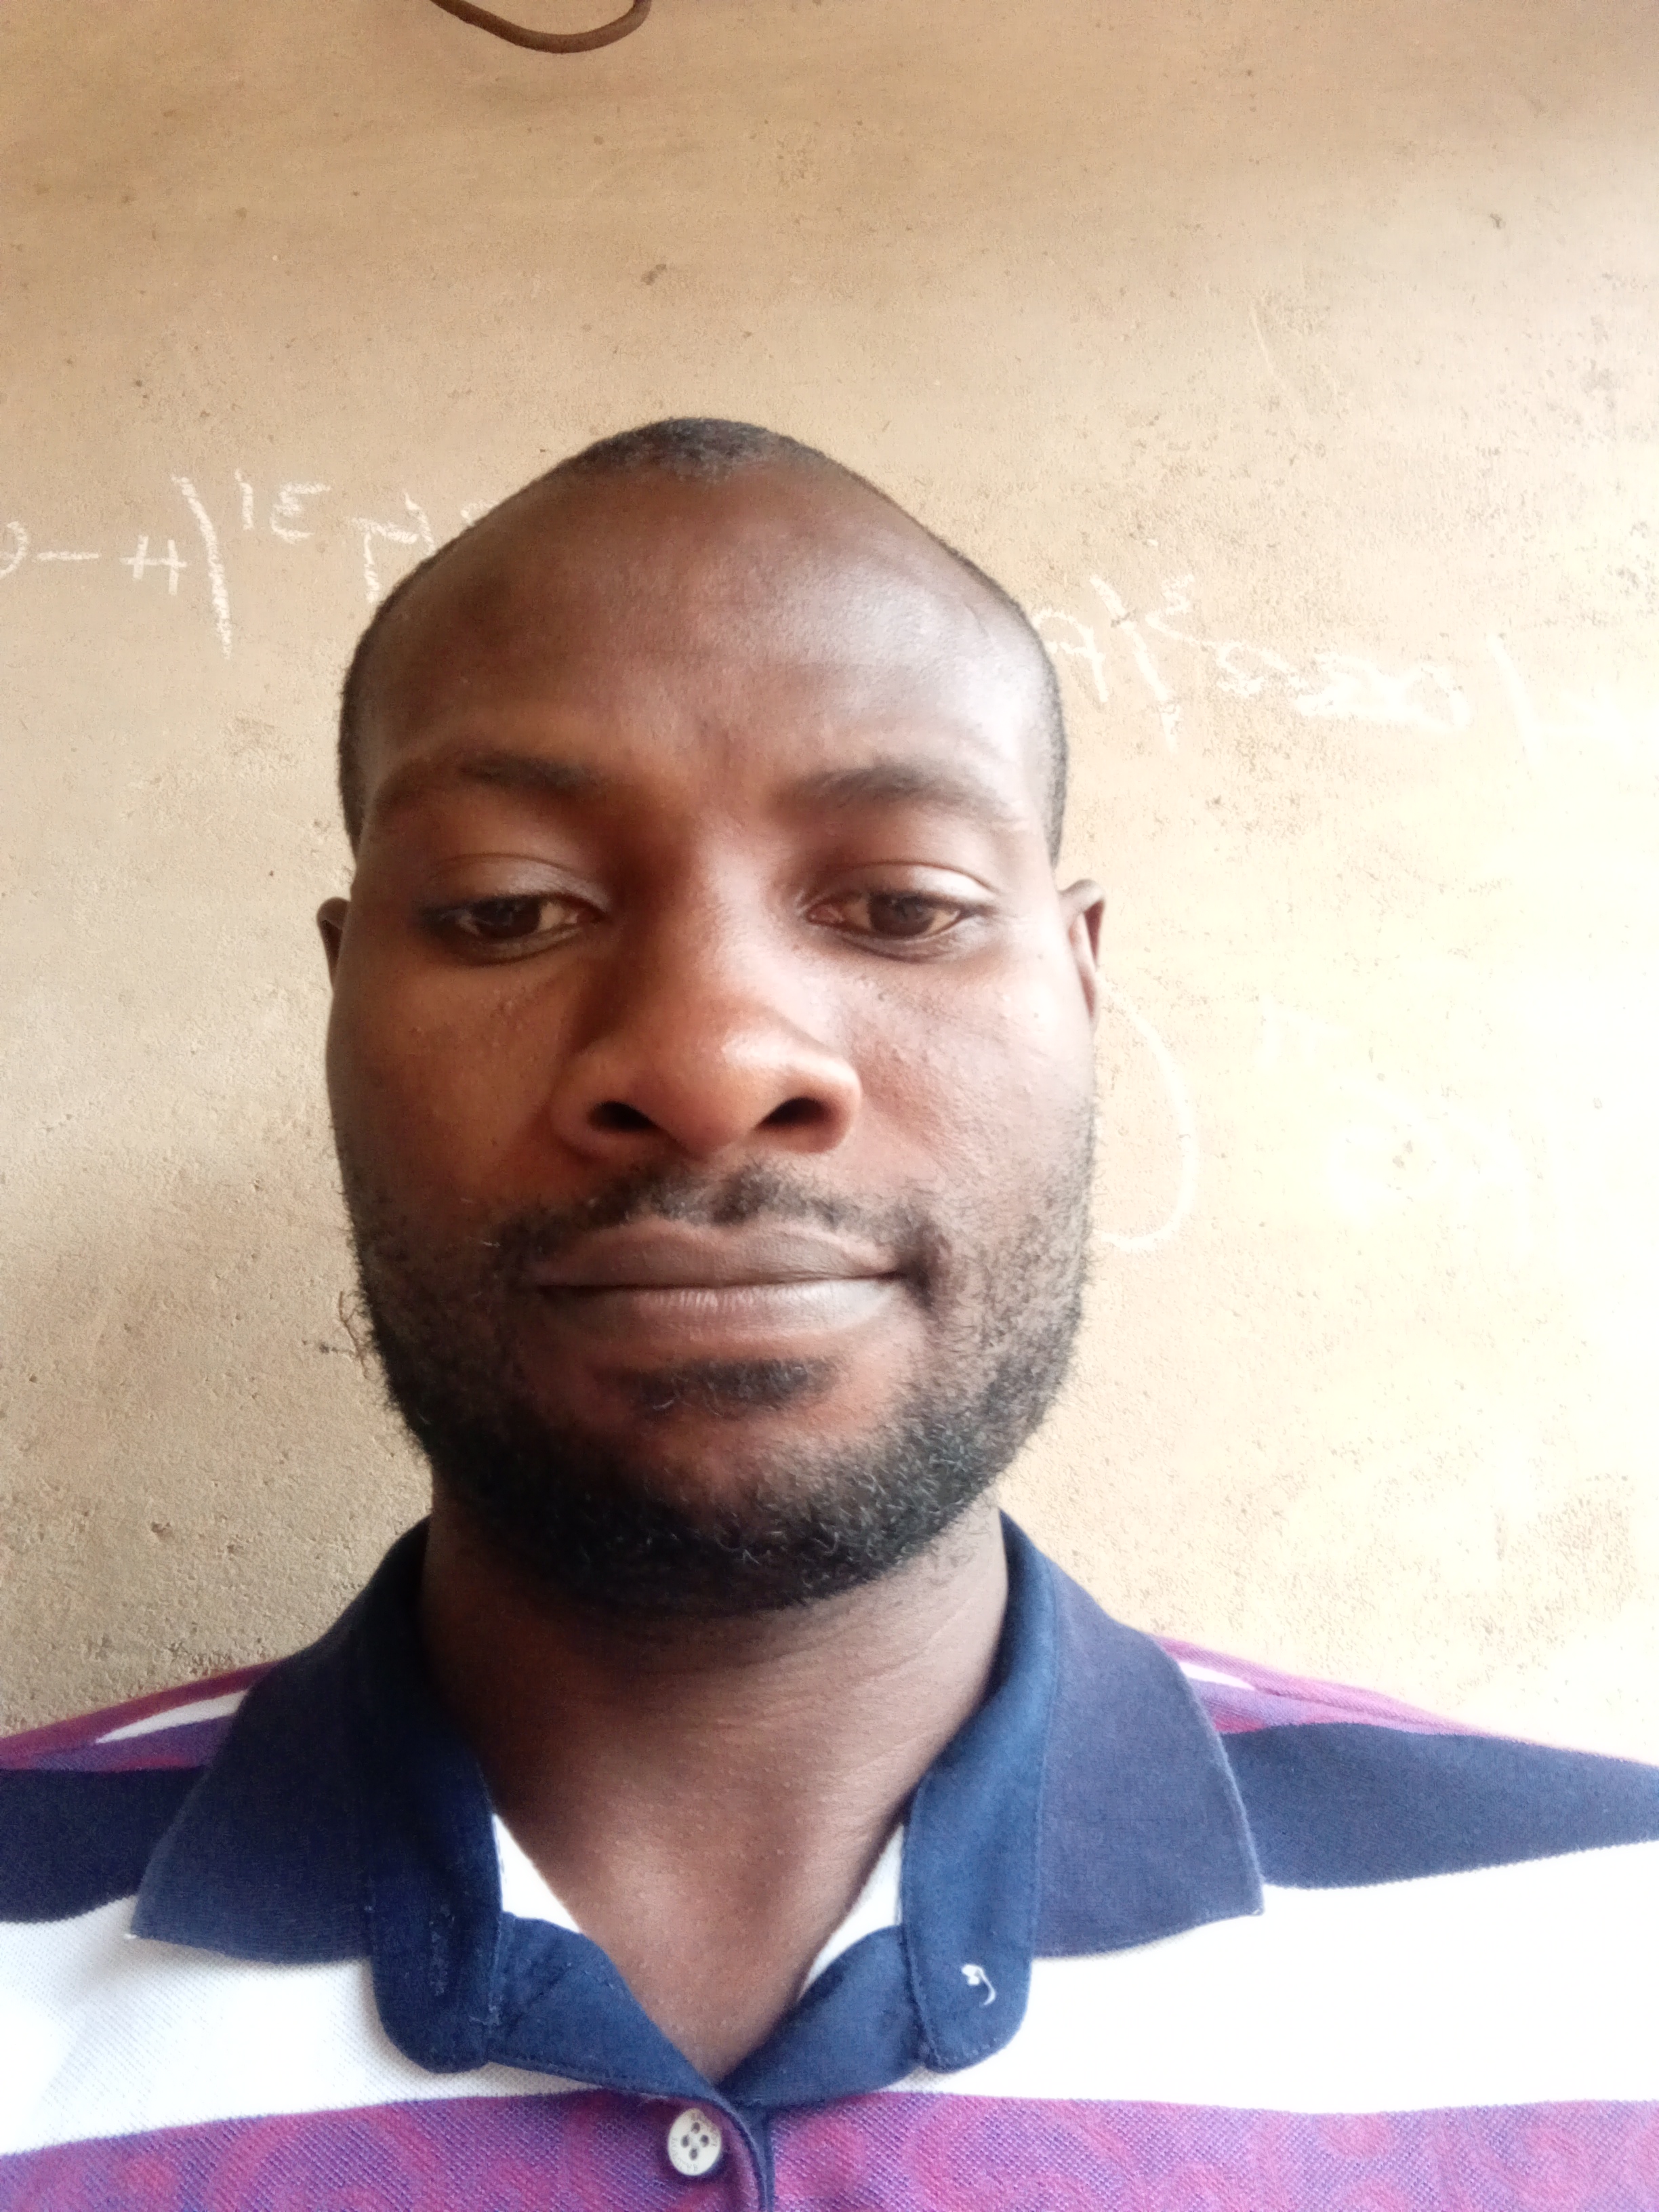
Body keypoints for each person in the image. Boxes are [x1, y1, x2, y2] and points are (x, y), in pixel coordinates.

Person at [1, 419, 1656, 2210]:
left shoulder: (1605, 1953)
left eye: (901, 907)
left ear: (1081, 990)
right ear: (343, 1006)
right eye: (507, 909)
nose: (712, 1062)